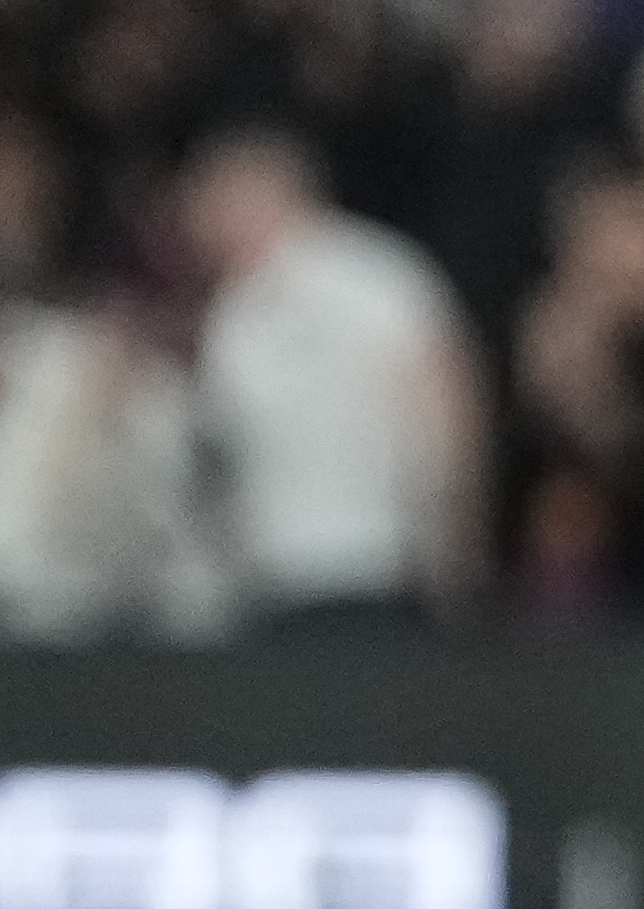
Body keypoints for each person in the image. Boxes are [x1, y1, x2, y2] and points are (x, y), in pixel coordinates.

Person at [174, 125, 478, 626]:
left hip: (374, 571)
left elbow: (447, 407)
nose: (198, 224)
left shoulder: (377, 276)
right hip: (270, 580)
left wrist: (451, 549)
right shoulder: (238, 308)